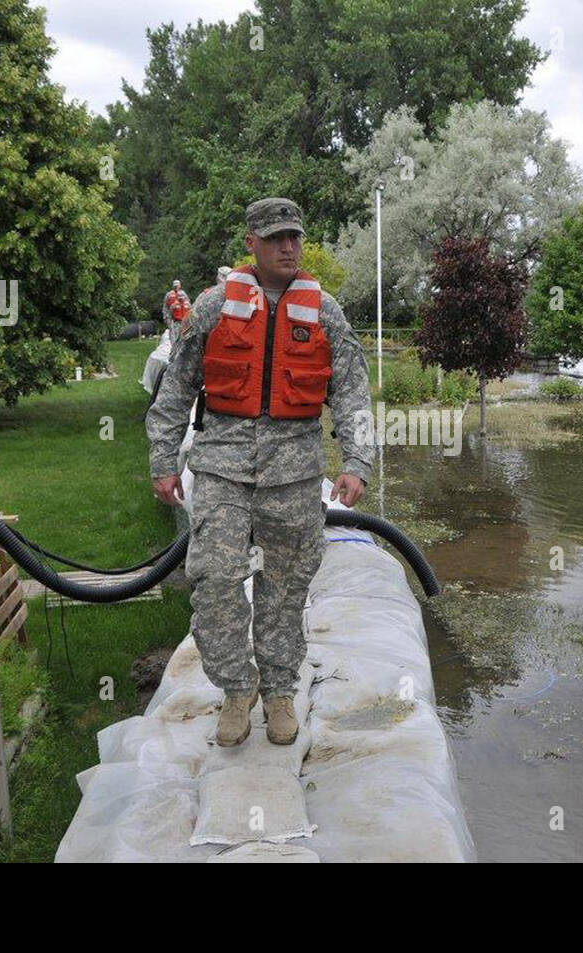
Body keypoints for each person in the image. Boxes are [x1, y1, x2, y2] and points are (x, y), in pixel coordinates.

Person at [146, 197, 372, 747]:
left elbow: (352, 389)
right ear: (251, 243)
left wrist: (358, 461)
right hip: (222, 467)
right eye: (275, 238)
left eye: (294, 236)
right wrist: (162, 459)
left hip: (294, 476)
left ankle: (277, 693)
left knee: (285, 589)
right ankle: (235, 691)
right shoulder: (215, 306)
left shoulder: (324, 311)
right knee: (216, 582)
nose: (288, 246)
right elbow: (175, 386)